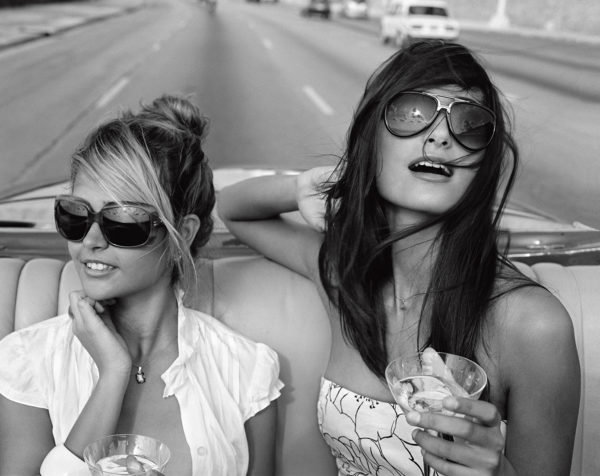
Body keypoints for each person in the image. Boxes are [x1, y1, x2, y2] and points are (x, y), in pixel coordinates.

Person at [218, 41, 581, 476]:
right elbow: (234, 209)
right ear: (373, 140)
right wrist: (308, 186)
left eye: (470, 123)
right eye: (412, 112)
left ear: (483, 163)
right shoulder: (343, 276)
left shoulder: (533, 325)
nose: (442, 135)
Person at [0, 95, 282, 476]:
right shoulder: (28, 361)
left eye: (123, 222)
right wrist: (112, 374)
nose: (91, 241)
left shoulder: (245, 372)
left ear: (181, 234)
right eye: (75, 215)